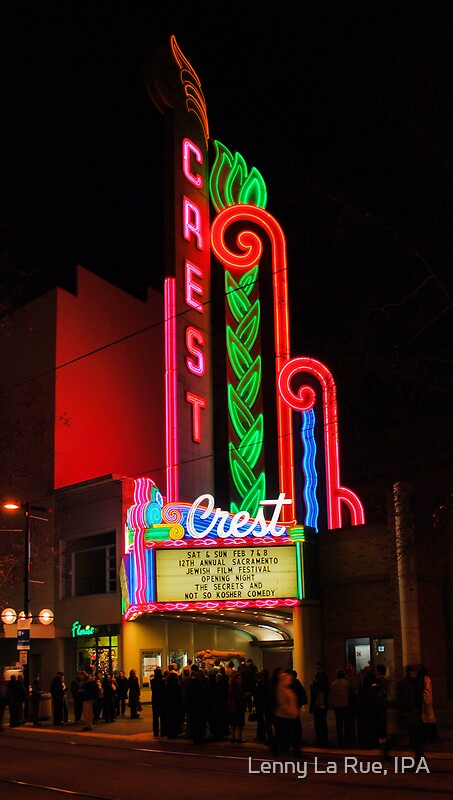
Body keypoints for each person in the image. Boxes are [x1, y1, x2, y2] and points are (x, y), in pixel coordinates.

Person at [396, 663, 424, 760]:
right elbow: (401, 698)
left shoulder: (414, 683)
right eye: (413, 671)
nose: (415, 673)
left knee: (415, 735)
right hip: (407, 713)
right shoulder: (404, 683)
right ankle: (387, 748)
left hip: (412, 713)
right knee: (400, 735)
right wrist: (403, 711)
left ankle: (419, 755)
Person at [272, 669, 301, 755]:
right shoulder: (282, 689)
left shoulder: (286, 689)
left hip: (288, 715)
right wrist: (291, 711)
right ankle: (281, 749)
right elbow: (282, 703)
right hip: (285, 715)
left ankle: (282, 748)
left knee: (284, 733)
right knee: (284, 733)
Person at [329, 669, 351, 748]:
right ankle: (347, 741)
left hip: (337, 706)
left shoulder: (334, 684)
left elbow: (332, 694)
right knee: (346, 724)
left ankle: (340, 742)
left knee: (339, 725)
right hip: (345, 705)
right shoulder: (346, 683)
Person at [309, 662, 329, 747]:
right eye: (316, 668)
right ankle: (321, 740)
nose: (317, 670)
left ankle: (322, 740)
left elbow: (323, 689)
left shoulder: (322, 678)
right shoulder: (318, 677)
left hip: (321, 703)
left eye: (318, 668)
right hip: (319, 703)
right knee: (319, 723)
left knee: (321, 723)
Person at [420, 665, 440, 743]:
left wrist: (424, 698)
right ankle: (432, 736)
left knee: (428, 719)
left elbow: (427, 690)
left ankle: (431, 736)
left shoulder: (425, 679)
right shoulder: (427, 678)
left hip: (426, 701)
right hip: (427, 701)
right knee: (429, 719)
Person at [228, 671, 246, 743]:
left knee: (233, 723)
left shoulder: (231, 687)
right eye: (239, 678)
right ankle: (238, 738)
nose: (240, 679)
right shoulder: (238, 687)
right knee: (239, 724)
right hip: (238, 707)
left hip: (233, 707)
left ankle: (233, 737)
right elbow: (239, 697)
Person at [151, 667, 164, 736]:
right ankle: (163, 731)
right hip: (161, 699)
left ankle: (155, 731)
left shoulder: (153, 681)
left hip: (154, 699)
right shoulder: (162, 681)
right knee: (162, 716)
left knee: (155, 717)